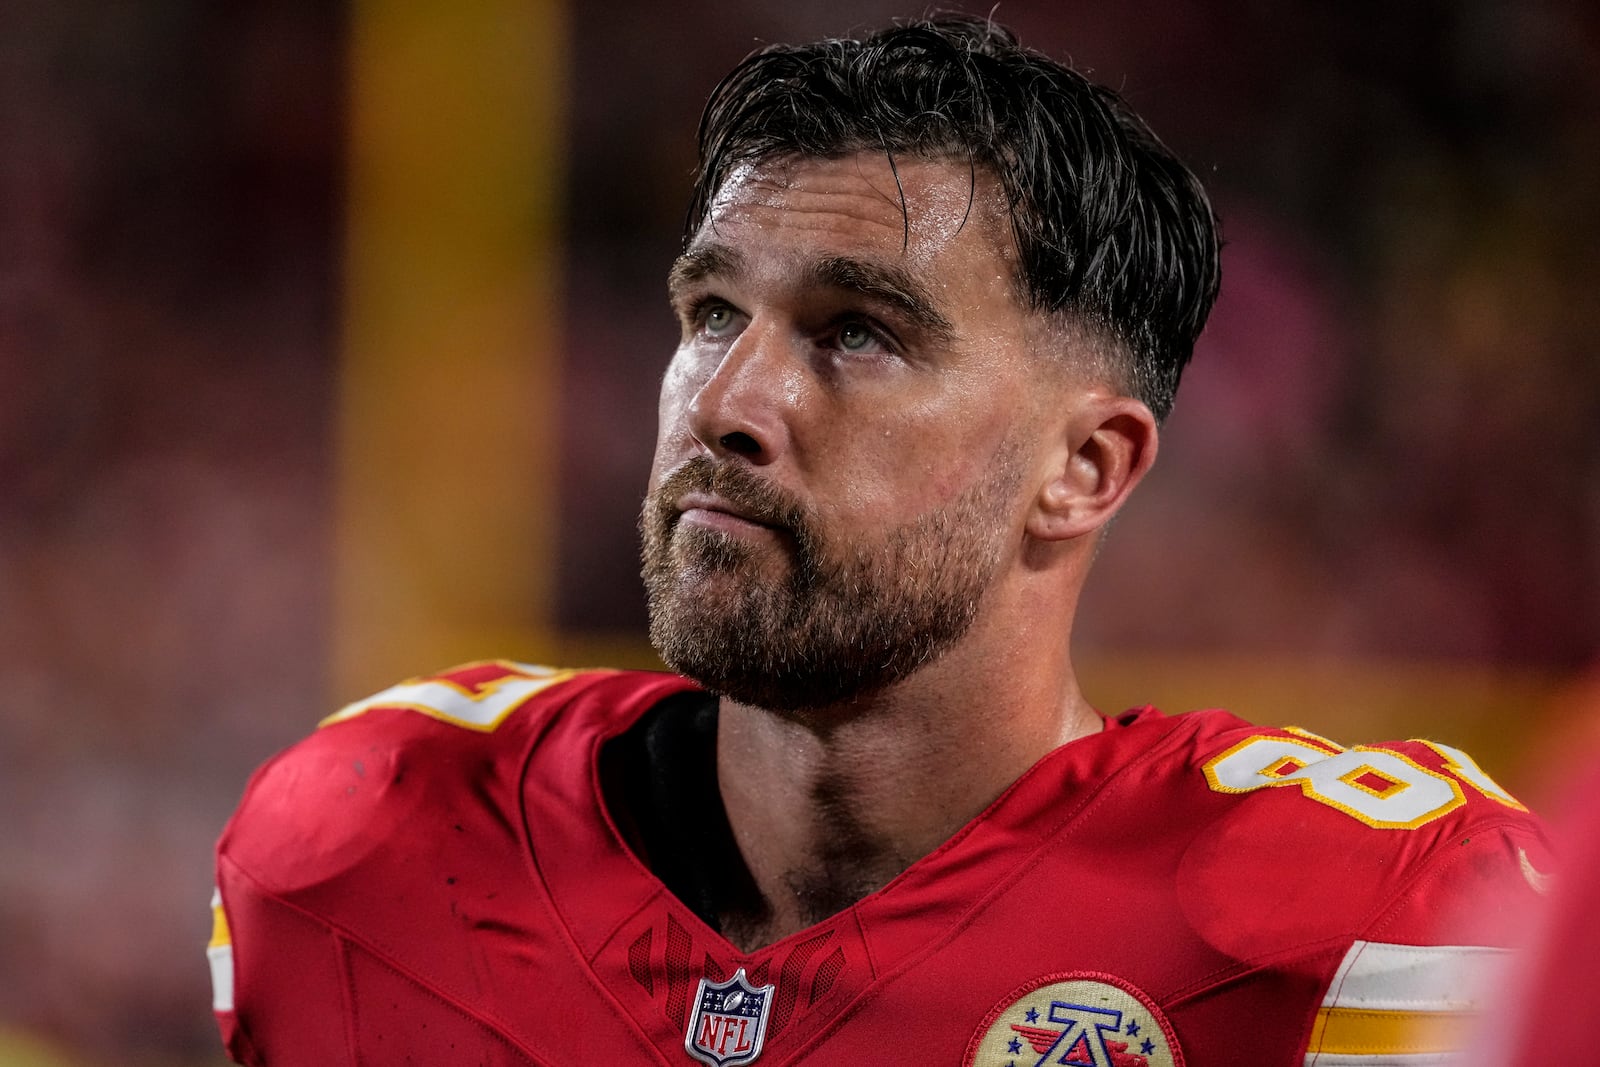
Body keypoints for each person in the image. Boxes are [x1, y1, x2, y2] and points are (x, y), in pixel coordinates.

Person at [208, 16, 1547, 1066]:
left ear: (1082, 469)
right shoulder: (373, 851)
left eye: (858, 333)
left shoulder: (1362, 931)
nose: (728, 406)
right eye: (714, 312)